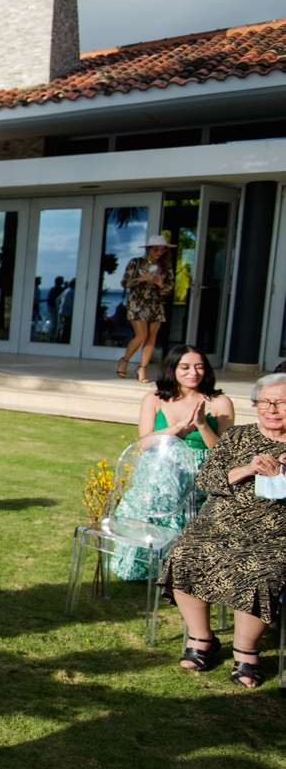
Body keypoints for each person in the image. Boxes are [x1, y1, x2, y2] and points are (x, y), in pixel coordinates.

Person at [163, 373, 286, 690]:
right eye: (265, 402)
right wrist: (247, 469)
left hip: (274, 530)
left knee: (260, 572)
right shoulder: (236, 437)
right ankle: (202, 639)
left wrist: (280, 476)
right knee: (186, 555)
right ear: (256, 405)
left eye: (281, 402)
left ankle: (247, 654)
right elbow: (207, 480)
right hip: (221, 522)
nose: (272, 409)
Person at [109, 345, 235, 580]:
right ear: (172, 369)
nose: (193, 373)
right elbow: (145, 444)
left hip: (199, 471)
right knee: (158, 483)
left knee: (177, 492)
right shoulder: (154, 398)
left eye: (199, 367)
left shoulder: (219, 402)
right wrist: (178, 427)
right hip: (158, 467)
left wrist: (201, 425)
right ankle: (146, 566)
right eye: (185, 367)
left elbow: (223, 453)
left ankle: (180, 568)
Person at [118, 236, 175, 383]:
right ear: (148, 248)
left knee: (152, 336)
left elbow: (169, 289)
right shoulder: (135, 263)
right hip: (137, 302)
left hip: (156, 303)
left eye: (162, 249)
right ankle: (124, 361)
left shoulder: (165, 266)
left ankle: (142, 368)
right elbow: (124, 283)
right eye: (156, 249)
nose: (159, 252)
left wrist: (161, 284)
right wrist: (141, 279)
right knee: (141, 335)